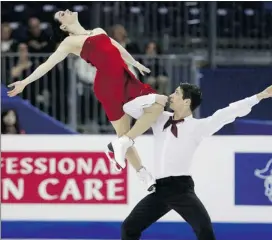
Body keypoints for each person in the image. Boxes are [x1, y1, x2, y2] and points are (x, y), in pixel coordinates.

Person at [109, 82, 272, 240]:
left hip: (182, 189)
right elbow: (130, 108)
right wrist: (157, 98)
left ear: (187, 101)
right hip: (160, 190)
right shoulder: (159, 118)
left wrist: (258, 96)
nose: (172, 95)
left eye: (176, 93)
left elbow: (227, 113)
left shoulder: (198, 127)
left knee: (204, 230)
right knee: (130, 227)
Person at [6, 9, 168, 192]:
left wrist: (135, 63)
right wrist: (25, 82)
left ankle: (121, 145)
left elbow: (118, 48)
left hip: (125, 78)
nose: (66, 10)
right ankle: (142, 174)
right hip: (107, 84)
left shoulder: (99, 30)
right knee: (124, 133)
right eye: (61, 14)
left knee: (157, 105)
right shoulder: (69, 42)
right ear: (64, 26)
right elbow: (47, 64)